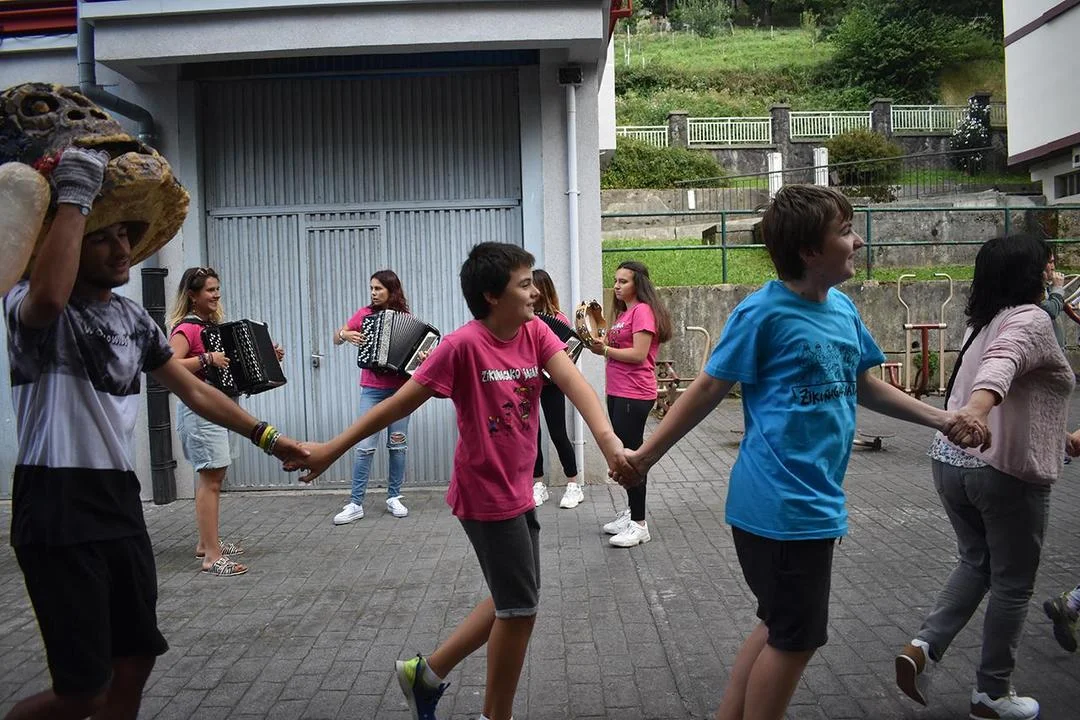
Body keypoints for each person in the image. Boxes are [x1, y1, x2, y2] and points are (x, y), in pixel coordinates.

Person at [609, 185, 984, 720]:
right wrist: (645, 457)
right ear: (810, 251)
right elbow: (709, 388)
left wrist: (943, 419)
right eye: (845, 231)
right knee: (796, 637)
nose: (857, 241)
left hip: (815, 501)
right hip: (779, 505)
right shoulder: (762, 313)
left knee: (778, 624)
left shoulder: (843, 309)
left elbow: (864, 384)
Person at [3, 147, 306, 720]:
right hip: (55, 502)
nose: (122, 249)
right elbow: (47, 298)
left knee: (137, 657)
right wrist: (74, 194)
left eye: (125, 234)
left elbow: (194, 390)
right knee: (83, 690)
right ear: (64, 240)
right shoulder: (29, 305)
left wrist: (268, 437)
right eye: (101, 237)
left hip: (117, 499)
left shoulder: (134, 320)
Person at [288, 242, 631, 720]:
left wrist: (610, 443)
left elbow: (577, 386)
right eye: (524, 284)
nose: (535, 292)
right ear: (492, 295)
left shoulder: (534, 332)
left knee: (515, 597)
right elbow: (396, 405)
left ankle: (425, 674)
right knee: (520, 609)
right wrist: (332, 448)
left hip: (517, 489)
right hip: (485, 494)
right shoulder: (461, 346)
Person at [894, 234, 1073, 720]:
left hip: (951, 462)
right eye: (1047, 264)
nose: (1052, 271)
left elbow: (1024, 398)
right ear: (1029, 273)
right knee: (1013, 584)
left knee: (977, 563)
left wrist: (1061, 440)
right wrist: (977, 409)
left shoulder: (984, 321)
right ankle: (992, 694)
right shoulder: (1030, 320)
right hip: (1002, 471)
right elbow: (1002, 365)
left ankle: (923, 647)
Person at [167, 267, 285, 576]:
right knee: (211, 480)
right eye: (210, 290)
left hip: (219, 410)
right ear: (192, 295)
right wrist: (206, 359)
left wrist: (268, 356)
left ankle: (206, 544)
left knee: (213, 477)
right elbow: (169, 365)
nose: (216, 295)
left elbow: (235, 367)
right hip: (200, 412)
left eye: (217, 289)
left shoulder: (213, 329)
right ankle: (212, 556)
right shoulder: (187, 329)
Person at [588, 260, 671, 548]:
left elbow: (638, 354)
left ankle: (639, 524)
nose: (617, 285)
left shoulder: (643, 311)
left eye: (623, 281)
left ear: (639, 284)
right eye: (615, 280)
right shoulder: (625, 313)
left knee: (631, 459)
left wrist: (605, 350)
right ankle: (631, 512)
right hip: (618, 391)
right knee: (623, 454)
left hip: (634, 394)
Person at [330, 270, 415, 523]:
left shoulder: (406, 319)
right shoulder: (364, 314)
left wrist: (422, 357)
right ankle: (355, 503)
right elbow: (336, 338)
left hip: (400, 392)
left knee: (398, 446)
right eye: (371, 288)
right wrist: (345, 335)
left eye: (378, 288)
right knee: (364, 447)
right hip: (372, 390)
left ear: (391, 290)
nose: (373, 293)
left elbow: (417, 359)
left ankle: (394, 497)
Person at [530, 268, 584, 509]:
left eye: (533, 287)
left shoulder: (559, 320)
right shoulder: (524, 318)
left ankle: (573, 484)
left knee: (558, 432)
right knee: (532, 433)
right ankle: (538, 484)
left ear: (543, 290)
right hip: (529, 382)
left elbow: (570, 353)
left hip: (552, 384)